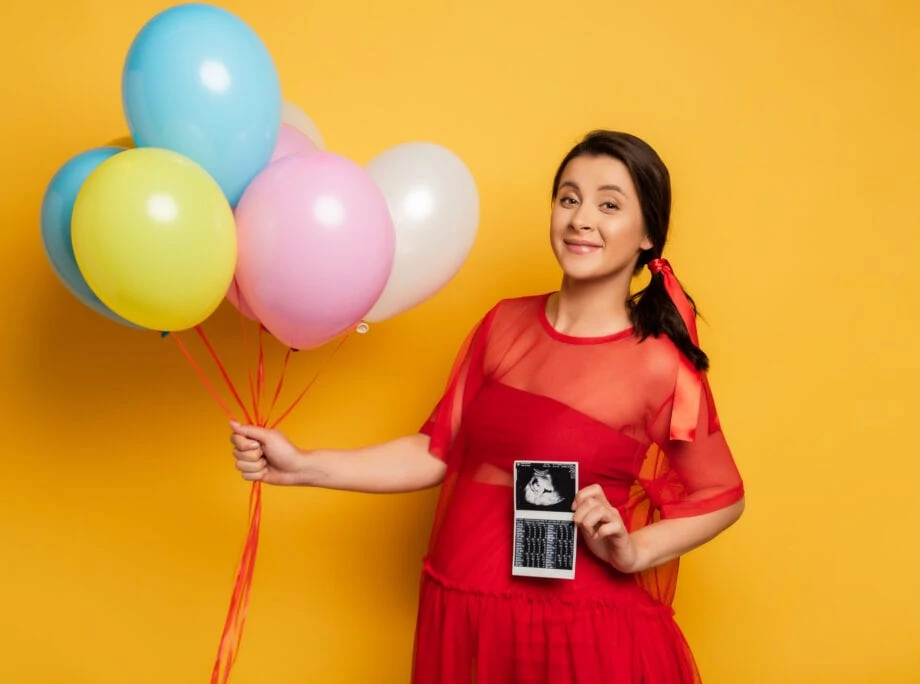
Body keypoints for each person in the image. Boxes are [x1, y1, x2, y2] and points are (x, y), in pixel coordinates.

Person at [229, 130, 746, 683]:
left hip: (575, 634)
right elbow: (435, 451)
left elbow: (722, 494)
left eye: (610, 204)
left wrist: (635, 551)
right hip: (465, 616)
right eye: (568, 198)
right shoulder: (504, 324)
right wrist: (304, 464)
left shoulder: (660, 365)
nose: (580, 218)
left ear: (647, 234)